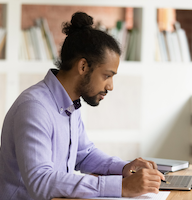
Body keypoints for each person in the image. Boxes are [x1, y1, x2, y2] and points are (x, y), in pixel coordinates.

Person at [0, 12, 164, 200]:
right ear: (83, 66)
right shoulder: (34, 108)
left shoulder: (70, 105)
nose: (110, 86)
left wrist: (124, 168)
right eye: (107, 76)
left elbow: (83, 155)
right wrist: (119, 186)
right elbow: (41, 181)